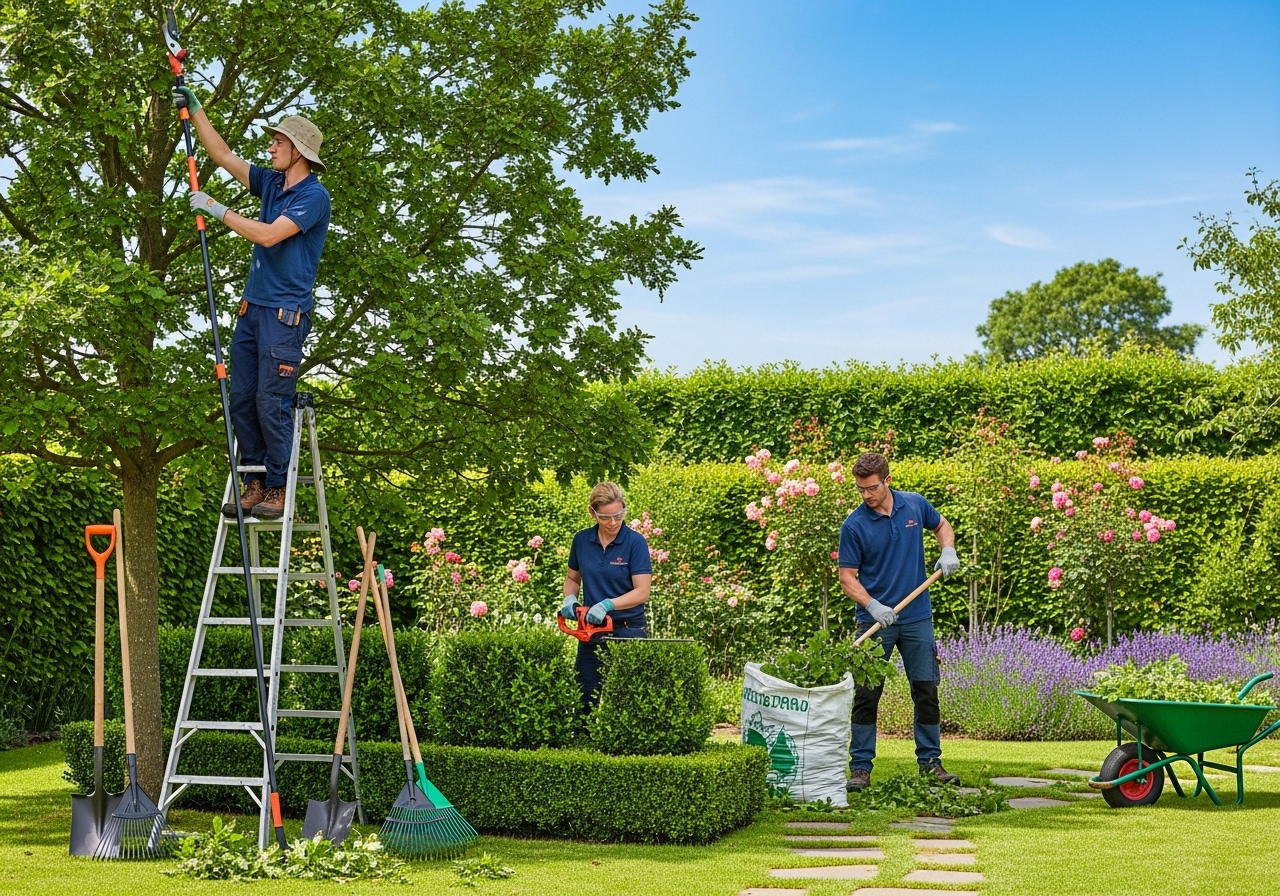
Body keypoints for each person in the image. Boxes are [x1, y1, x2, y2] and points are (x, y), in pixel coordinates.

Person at [172, 86, 331, 520]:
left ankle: (278, 487)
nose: (271, 146)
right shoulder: (271, 182)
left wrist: (215, 208)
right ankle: (254, 481)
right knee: (240, 398)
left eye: (278, 141)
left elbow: (267, 234)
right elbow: (223, 155)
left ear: (298, 151)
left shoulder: (313, 196)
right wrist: (195, 108)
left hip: (284, 316)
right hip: (252, 309)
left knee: (270, 400)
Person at [837, 451, 962, 791]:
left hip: (917, 617)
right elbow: (847, 577)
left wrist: (947, 550)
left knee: (925, 689)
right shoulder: (854, 525)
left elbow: (942, 526)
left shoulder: (914, 505)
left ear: (887, 480)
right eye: (861, 489)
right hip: (875, 622)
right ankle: (860, 768)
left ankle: (930, 763)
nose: (866, 495)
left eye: (872, 488)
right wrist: (873, 605)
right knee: (867, 694)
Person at [559, 482, 653, 712]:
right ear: (593, 513)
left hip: (629, 629)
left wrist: (608, 604)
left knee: (629, 702)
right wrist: (569, 599)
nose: (613, 523)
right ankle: (583, 743)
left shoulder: (635, 543)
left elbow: (642, 591)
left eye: (619, 516)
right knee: (585, 698)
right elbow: (573, 579)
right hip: (592, 629)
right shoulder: (582, 540)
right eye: (605, 517)